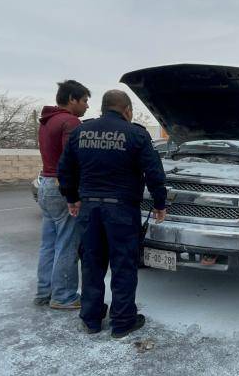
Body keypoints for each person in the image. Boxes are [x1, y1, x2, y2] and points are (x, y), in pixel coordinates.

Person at [58, 89, 167, 338]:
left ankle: (92, 319)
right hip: (121, 210)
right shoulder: (136, 134)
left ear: (103, 108)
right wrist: (160, 203)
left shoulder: (80, 132)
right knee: (123, 265)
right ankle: (122, 322)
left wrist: (72, 198)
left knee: (92, 264)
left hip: (89, 209)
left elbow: (66, 169)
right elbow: (154, 173)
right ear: (127, 110)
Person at [34, 80, 90, 309]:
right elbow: (72, 161)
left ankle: (44, 292)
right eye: (84, 100)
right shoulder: (70, 122)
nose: (87, 106)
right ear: (72, 99)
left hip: (45, 184)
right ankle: (64, 296)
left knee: (49, 243)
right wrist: (73, 194)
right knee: (67, 244)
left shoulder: (47, 122)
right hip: (61, 186)